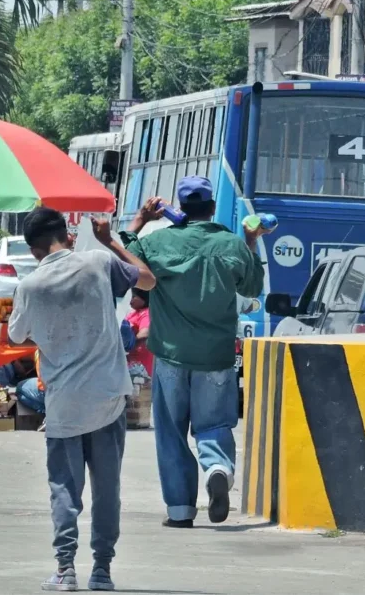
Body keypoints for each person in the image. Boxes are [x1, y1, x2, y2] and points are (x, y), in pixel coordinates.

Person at [7, 207, 155, 592]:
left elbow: (17, 337)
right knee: (108, 489)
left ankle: (66, 570)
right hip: (108, 397)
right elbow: (149, 281)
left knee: (64, 490)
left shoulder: (30, 286)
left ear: (33, 250)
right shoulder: (99, 263)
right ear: (68, 235)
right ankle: (102, 571)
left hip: (63, 405)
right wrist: (109, 240)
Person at [120, 177, 264, 529]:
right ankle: (217, 468)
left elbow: (125, 264)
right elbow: (253, 286)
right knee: (213, 424)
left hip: (170, 355)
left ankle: (181, 510)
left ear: (179, 209)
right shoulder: (230, 244)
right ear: (212, 208)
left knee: (171, 432)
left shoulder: (157, 242)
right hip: (216, 356)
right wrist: (249, 242)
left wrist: (140, 221)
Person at [125, 288, 153, 377]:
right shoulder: (133, 313)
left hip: (141, 365)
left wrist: (126, 349)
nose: (131, 299)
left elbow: (144, 334)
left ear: (143, 298)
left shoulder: (147, 313)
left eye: (134, 296)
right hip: (131, 362)